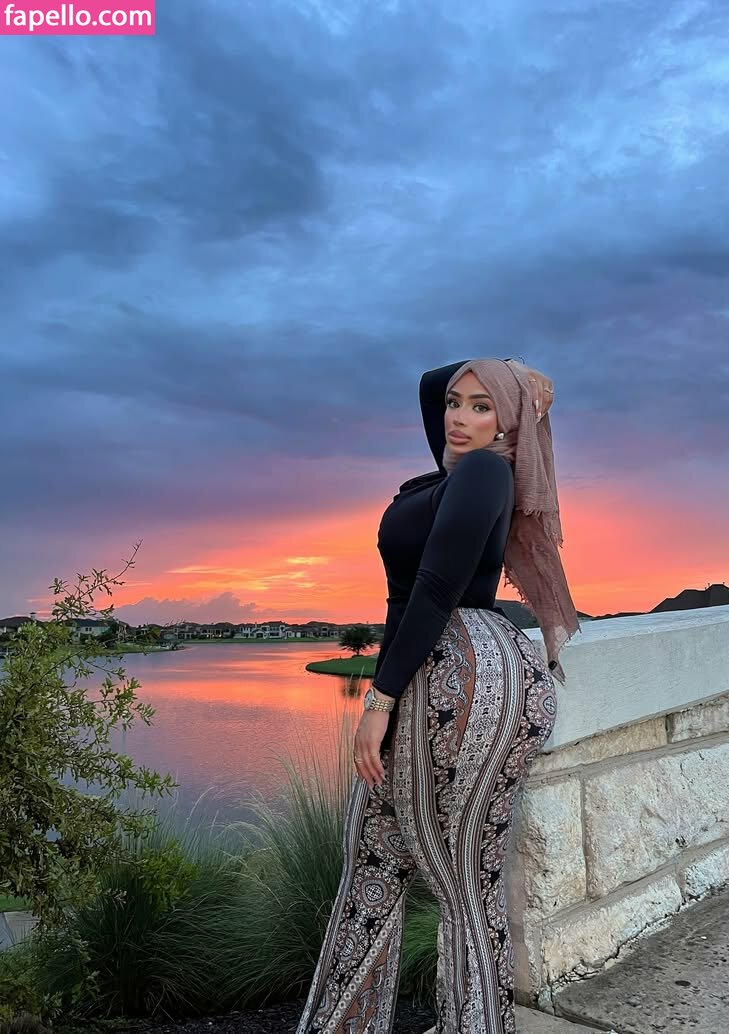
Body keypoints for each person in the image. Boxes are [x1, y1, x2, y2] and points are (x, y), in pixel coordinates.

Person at [295, 358, 581, 1034]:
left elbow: (434, 589)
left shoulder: (484, 471)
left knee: (456, 878)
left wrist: (379, 701)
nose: (459, 417)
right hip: (443, 670)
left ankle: (471, 1024)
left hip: (458, 682)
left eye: (484, 407)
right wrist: (507, 379)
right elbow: (429, 383)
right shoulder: (449, 474)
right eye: (457, 402)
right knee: (382, 858)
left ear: (508, 425)